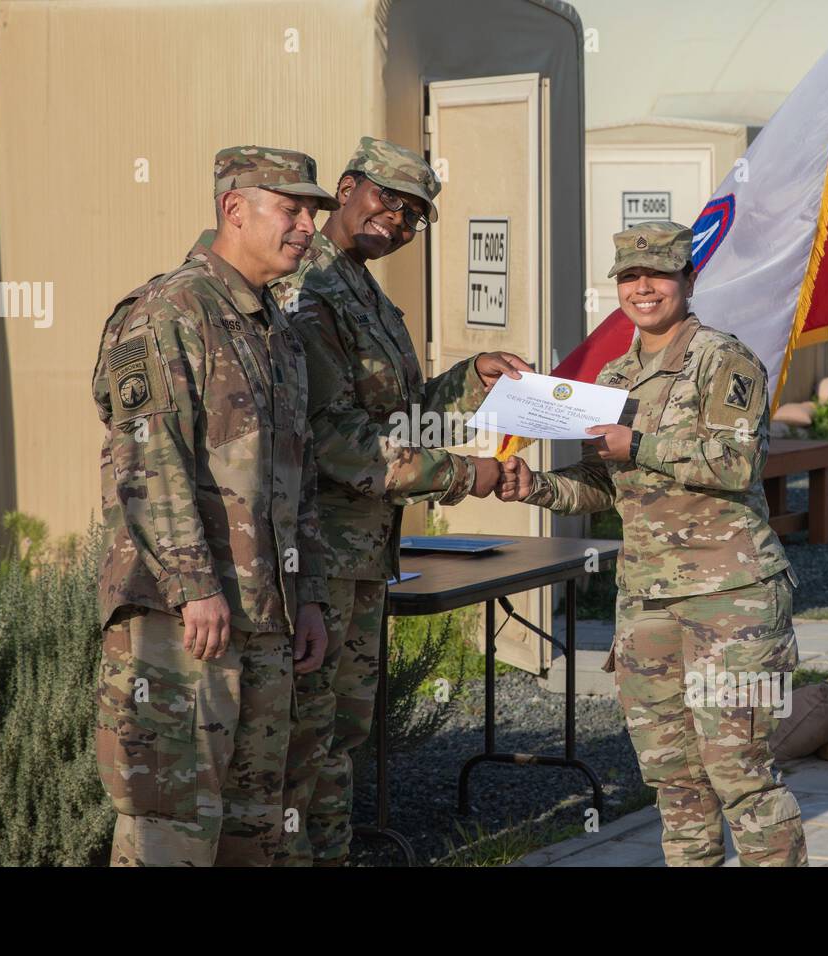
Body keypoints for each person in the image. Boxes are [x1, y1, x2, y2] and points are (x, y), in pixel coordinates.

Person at [499, 220, 808, 867]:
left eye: (659, 274)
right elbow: (604, 486)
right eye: (631, 277)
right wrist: (534, 487)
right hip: (647, 602)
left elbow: (738, 465)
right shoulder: (614, 377)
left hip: (733, 600)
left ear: (688, 280)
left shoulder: (726, 360)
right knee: (675, 781)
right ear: (617, 287)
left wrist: (638, 443)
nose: (645, 288)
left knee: (741, 776)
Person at [269, 136, 533, 866]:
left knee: (341, 734)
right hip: (319, 555)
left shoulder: (362, 289)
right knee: (307, 735)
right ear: (348, 188)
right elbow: (334, 439)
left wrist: (474, 377)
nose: (399, 222)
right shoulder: (309, 288)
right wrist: (459, 476)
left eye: (414, 216)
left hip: (362, 554)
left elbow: (406, 413)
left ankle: (332, 852)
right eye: (389, 200)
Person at [91, 146, 337, 867]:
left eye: (312, 213)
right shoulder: (165, 313)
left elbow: (302, 481)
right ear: (235, 208)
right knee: (170, 826)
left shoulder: (277, 332)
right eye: (292, 209)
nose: (308, 228)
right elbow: (148, 461)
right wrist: (194, 584)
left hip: (267, 618)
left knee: (254, 829)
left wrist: (312, 596)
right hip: (183, 620)